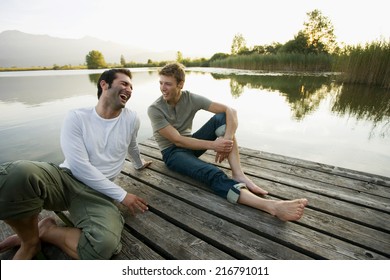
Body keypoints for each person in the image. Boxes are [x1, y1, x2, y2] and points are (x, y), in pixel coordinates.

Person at [0, 68, 151, 260]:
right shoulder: (77, 117)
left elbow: (132, 146)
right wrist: (122, 195)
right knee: (15, 174)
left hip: (97, 194)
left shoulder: (131, 119)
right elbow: (79, 166)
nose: (129, 89)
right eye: (124, 83)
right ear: (104, 84)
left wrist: (139, 164)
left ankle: (45, 231)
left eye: (131, 86)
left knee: (103, 245)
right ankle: (29, 241)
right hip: (65, 179)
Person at [147, 62, 308, 221]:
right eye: (161, 83)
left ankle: (238, 174)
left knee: (222, 118)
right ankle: (272, 206)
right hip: (172, 154)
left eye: (168, 84)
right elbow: (178, 140)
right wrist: (214, 145)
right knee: (212, 172)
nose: (162, 88)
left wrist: (227, 139)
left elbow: (230, 111)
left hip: (191, 146)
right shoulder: (155, 109)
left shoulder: (190, 98)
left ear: (180, 84)